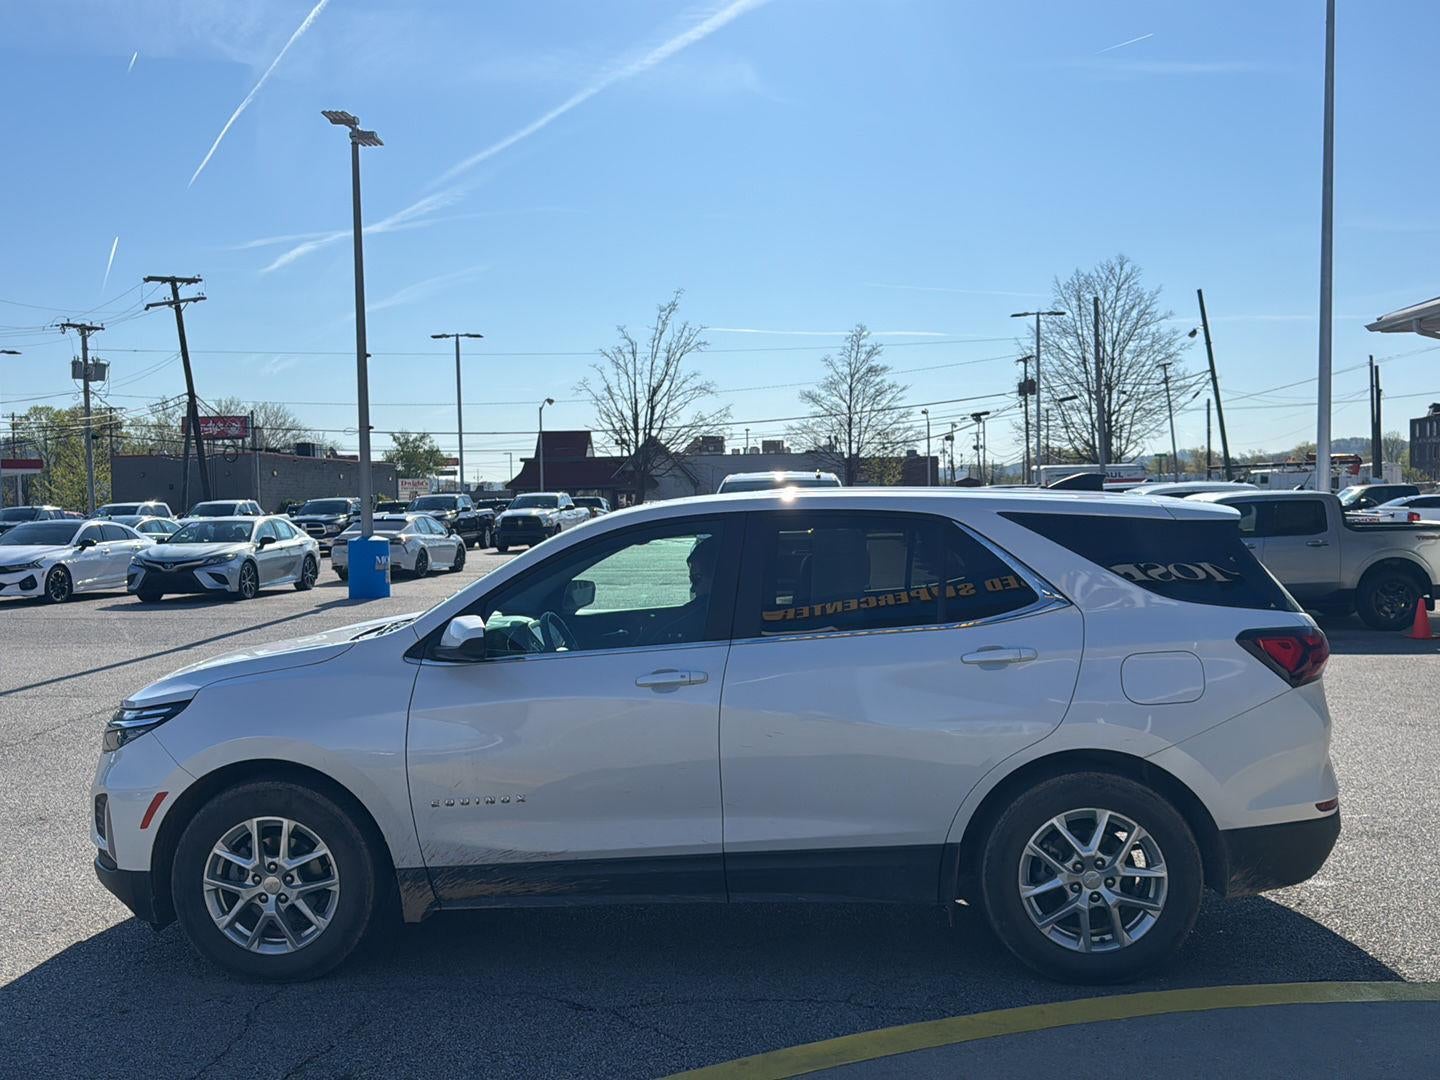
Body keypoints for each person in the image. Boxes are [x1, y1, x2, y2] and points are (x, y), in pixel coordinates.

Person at [646, 534, 719, 644]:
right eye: (691, 580)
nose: (693, 589)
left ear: (717, 577)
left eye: (695, 579)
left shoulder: (697, 616)